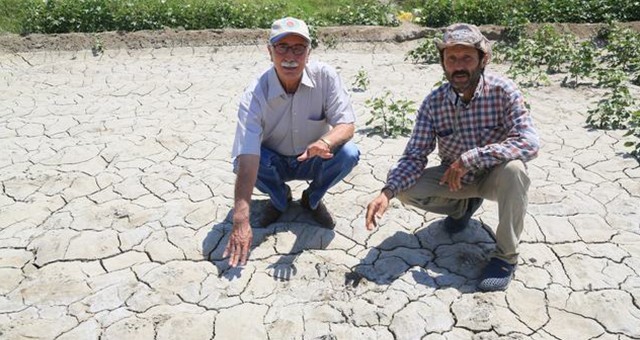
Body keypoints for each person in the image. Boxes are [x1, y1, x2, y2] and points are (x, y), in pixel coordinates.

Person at [365, 23, 540, 291]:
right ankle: (461, 208)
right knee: (405, 189)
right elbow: (414, 155)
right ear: (443, 63)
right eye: (451, 58)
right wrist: (386, 192)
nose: (459, 66)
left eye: (467, 58)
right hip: (455, 179)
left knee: (515, 170)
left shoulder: (504, 91)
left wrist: (472, 158)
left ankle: (505, 257)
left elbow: (529, 143)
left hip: (493, 176)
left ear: (483, 59)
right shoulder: (434, 103)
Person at [224, 17, 360, 267]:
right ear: (269, 51)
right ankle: (280, 199)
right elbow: (248, 156)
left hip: (313, 158)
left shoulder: (325, 77)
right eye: (282, 47)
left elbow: (346, 125)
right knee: (241, 162)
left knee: (349, 153)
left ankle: (311, 199)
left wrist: (326, 142)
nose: (290, 55)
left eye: (299, 48)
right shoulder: (255, 93)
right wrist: (240, 218)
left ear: (309, 53)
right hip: (272, 161)